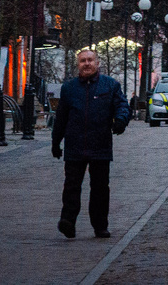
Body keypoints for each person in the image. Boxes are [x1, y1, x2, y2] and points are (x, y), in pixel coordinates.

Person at [52, 49, 128, 239]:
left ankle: (100, 225)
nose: (86, 64)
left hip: (100, 143)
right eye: (82, 61)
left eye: (90, 60)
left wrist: (120, 120)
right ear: (78, 65)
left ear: (97, 63)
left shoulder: (110, 86)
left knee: (100, 188)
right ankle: (68, 221)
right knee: (71, 186)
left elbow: (122, 106)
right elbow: (61, 117)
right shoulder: (69, 88)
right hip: (75, 144)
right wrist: (56, 141)